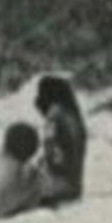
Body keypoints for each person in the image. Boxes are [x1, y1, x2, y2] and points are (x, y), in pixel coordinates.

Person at [31, 74, 87, 207]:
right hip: (74, 187)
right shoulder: (73, 115)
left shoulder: (55, 116)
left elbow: (54, 156)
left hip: (56, 187)